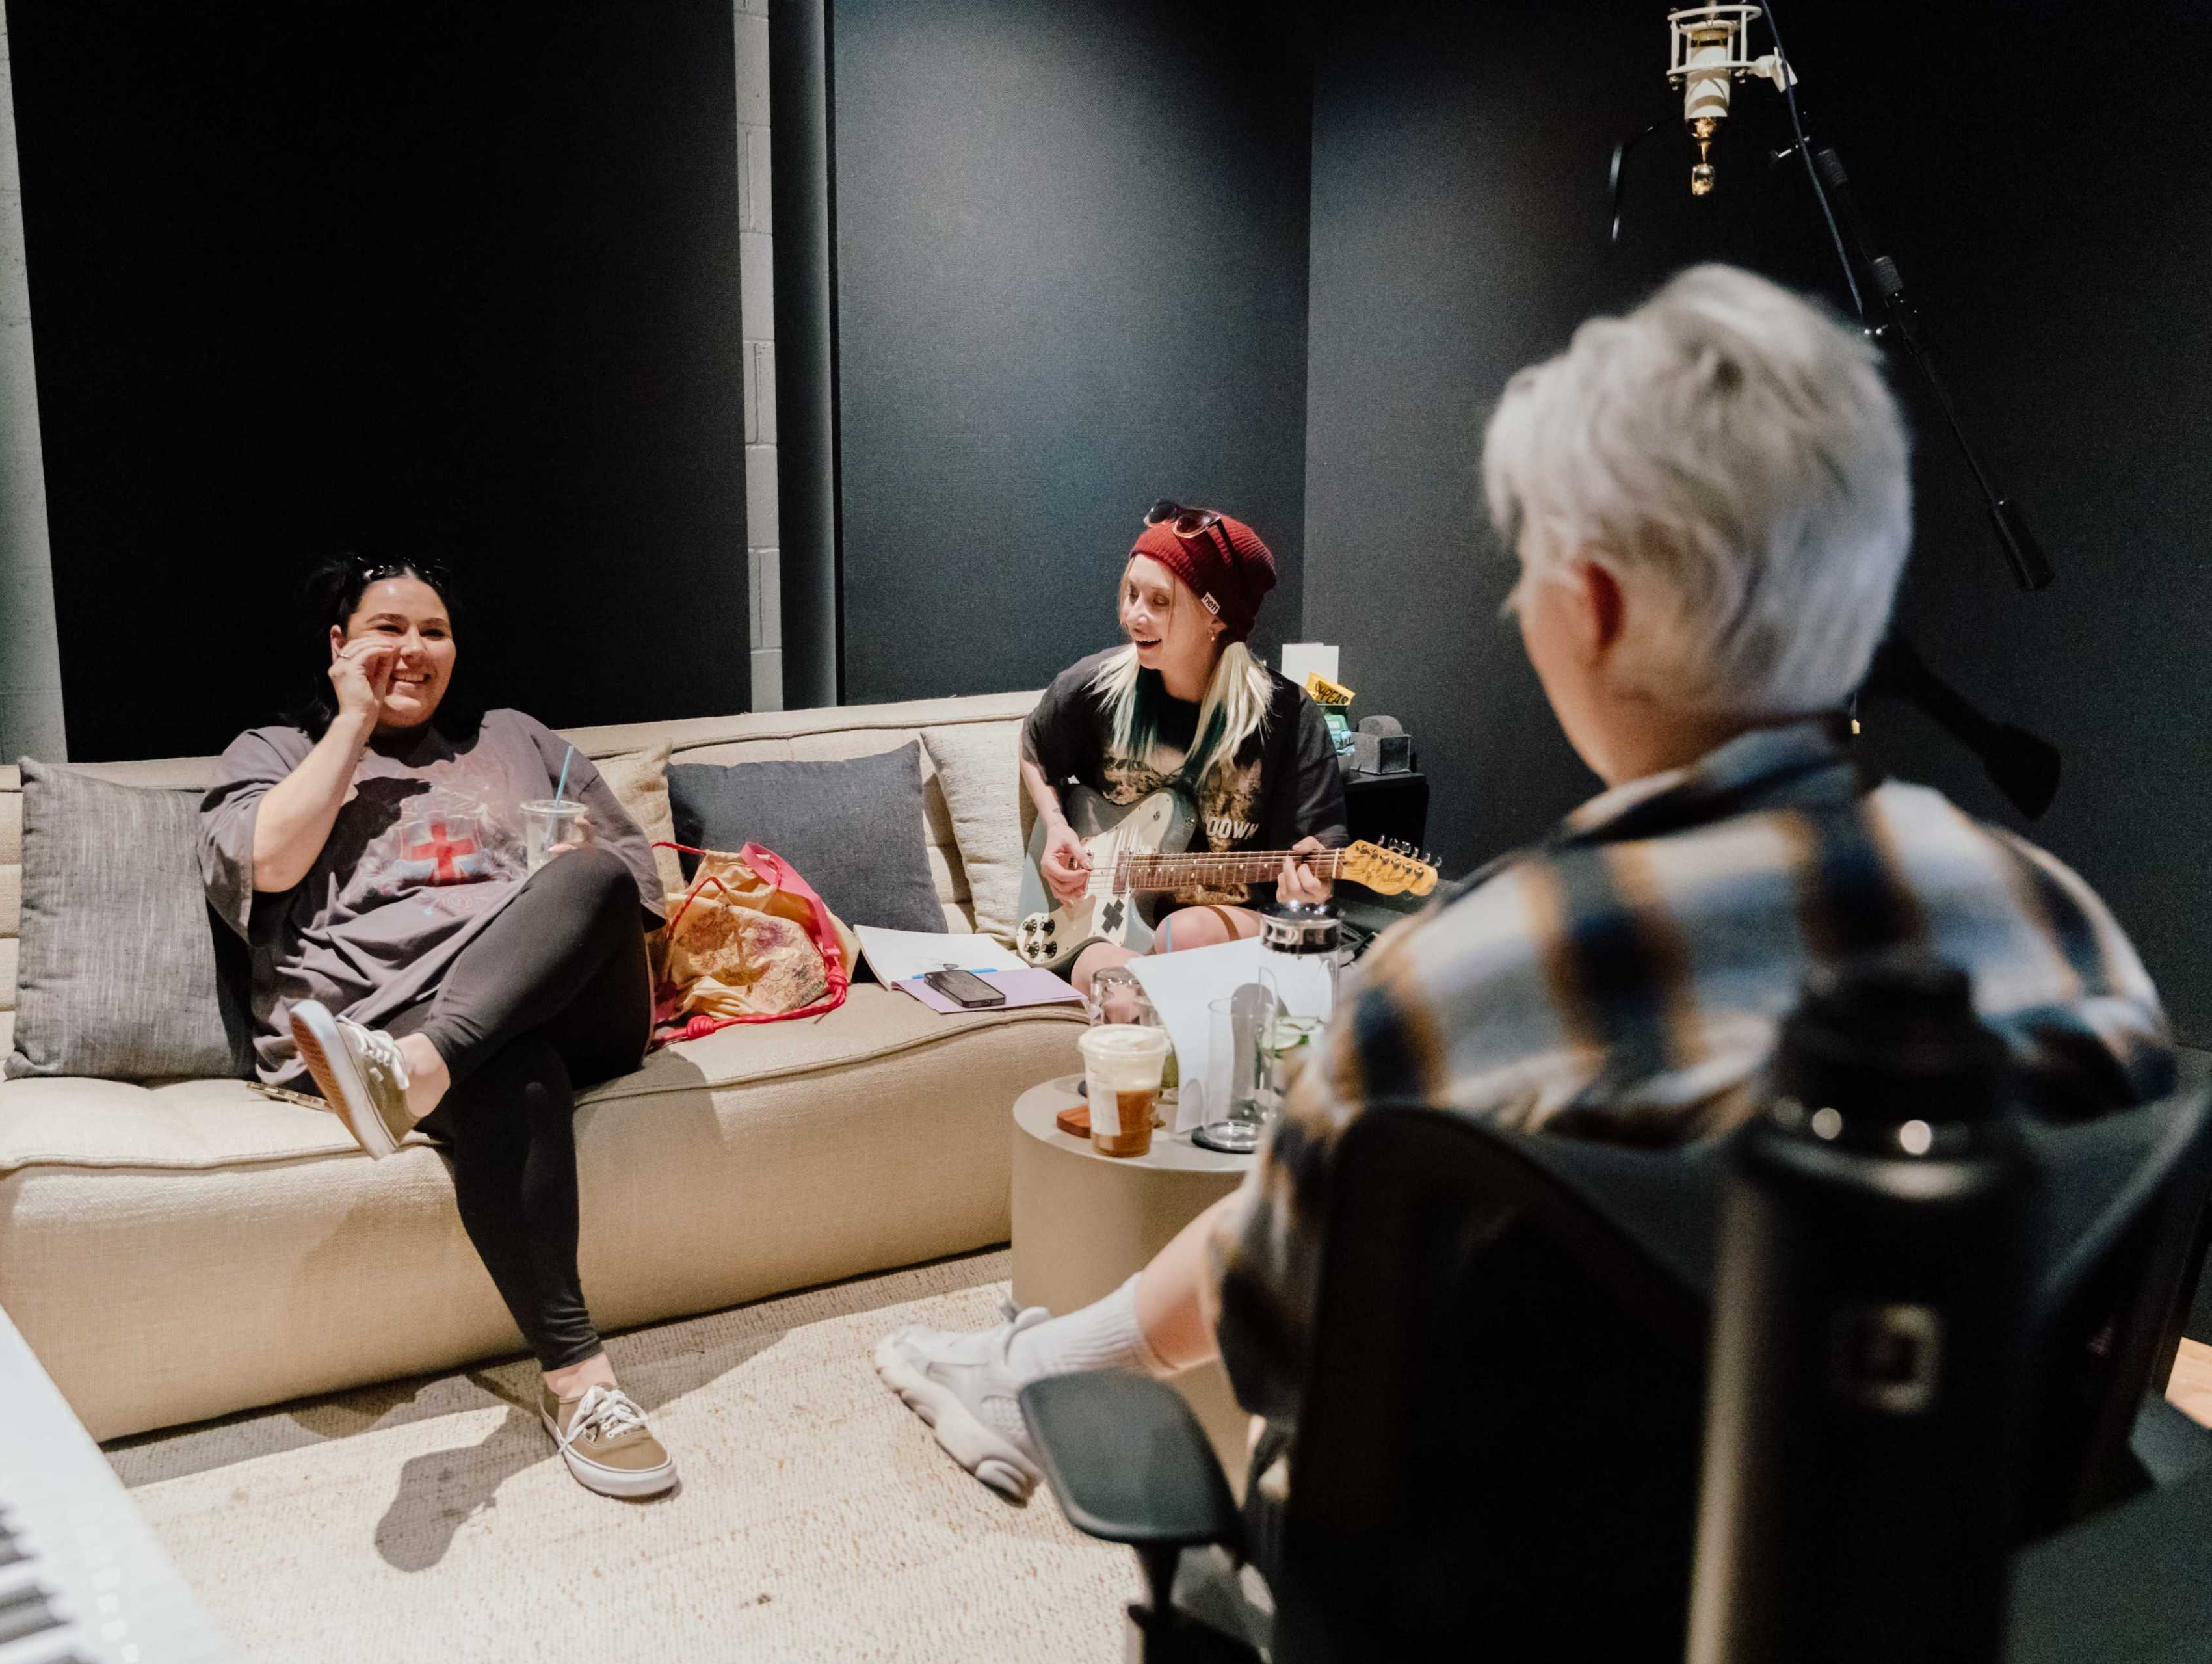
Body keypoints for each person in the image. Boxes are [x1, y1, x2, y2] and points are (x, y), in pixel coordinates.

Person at [876, 265, 2175, 1504]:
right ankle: (1026, 1363)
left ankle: (1029, 1370)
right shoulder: (2065, 934)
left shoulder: (1481, 972)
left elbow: (1275, 1329)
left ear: (1593, 605)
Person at [200, 551, 679, 1499]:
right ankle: (582, 1383)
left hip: (553, 991)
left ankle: (419, 1070)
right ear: (339, 645)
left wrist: (569, 865)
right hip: (377, 1015)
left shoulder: (520, 736)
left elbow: (636, 888)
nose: (413, 648)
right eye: (387, 628)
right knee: (514, 1066)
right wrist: (353, 722)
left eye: (434, 630)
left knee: (590, 881)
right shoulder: (275, 751)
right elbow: (266, 864)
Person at [1021, 501, 1348, 998]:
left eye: (1160, 601)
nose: (1134, 615)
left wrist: (1312, 888)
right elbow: (1034, 748)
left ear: (1215, 619)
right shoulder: (1099, 685)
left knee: (1185, 934)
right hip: (1109, 922)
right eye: (1131, 593)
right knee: (1108, 979)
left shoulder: (1286, 715)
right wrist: (1058, 828)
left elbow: (1319, 856)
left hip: (1227, 923)